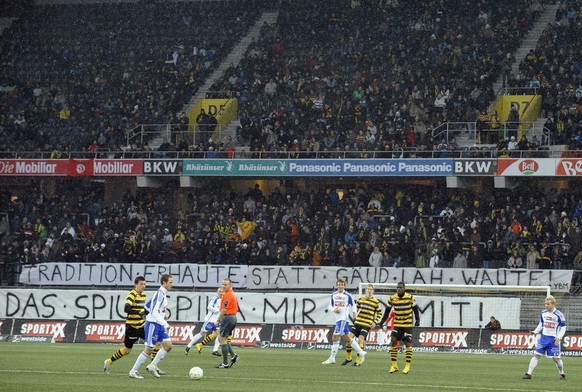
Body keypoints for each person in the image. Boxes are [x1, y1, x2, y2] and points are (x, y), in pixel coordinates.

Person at [104, 276, 162, 375]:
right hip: (132, 327)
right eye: (141, 284)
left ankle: (153, 366)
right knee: (127, 350)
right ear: (135, 285)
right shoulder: (132, 294)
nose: (143, 286)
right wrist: (139, 312)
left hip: (142, 326)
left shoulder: (143, 295)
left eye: (144, 284)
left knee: (156, 342)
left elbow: (143, 311)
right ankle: (109, 361)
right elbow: (126, 309)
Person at [128, 274, 174, 379]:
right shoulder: (160, 294)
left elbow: (148, 306)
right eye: (170, 282)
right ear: (164, 283)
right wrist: (165, 323)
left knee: (168, 346)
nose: (172, 284)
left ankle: (152, 366)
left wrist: (162, 316)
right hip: (153, 324)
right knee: (149, 349)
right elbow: (153, 311)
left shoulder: (161, 293)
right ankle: (133, 371)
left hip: (158, 324)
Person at [378, 282, 420, 375]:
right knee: (393, 340)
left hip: (407, 325)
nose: (399, 289)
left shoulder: (410, 297)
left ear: (404, 288)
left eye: (400, 287)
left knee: (408, 343)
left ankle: (407, 365)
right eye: (397, 288)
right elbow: (387, 311)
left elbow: (415, 309)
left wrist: (417, 320)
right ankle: (394, 365)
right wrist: (382, 321)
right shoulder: (392, 298)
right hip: (397, 324)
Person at [522, 295, 567, 380]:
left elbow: (564, 327)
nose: (546, 305)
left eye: (548, 304)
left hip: (553, 339)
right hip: (543, 338)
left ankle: (562, 373)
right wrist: (535, 331)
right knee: (536, 355)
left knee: (556, 359)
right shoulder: (543, 313)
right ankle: (528, 374)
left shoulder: (559, 315)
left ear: (553, 304)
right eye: (545, 304)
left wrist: (559, 337)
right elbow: (541, 324)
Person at [322, 278, 360, 365]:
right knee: (347, 338)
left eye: (342, 284)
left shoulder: (348, 295)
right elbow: (329, 306)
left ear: (344, 286)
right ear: (337, 285)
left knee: (335, 337)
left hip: (343, 319)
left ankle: (332, 358)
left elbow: (353, 305)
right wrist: (334, 309)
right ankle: (361, 352)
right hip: (338, 319)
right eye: (339, 284)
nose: (340, 286)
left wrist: (354, 313)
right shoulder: (333, 295)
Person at [342, 283, 381, 366]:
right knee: (348, 339)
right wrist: (354, 314)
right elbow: (356, 308)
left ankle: (358, 360)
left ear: (373, 291)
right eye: (368, 289)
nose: (369, 291)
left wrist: (375, 321)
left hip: (366, 324)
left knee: (360, 340)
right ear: (365, 290)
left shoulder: (376, 302)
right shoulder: (360, 299)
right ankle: (348, 357)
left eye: (371, 289)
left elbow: (380, 313)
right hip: (358, 323)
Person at [184, 287, 223, 355]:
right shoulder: (215, 298)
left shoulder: (223, 299)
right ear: (217, 292)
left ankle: (215, 350)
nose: (221, 293)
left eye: (222, 291)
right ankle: (189, 346)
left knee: (219, 335)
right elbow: (209, 307)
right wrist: (217, 310)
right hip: (210, 320)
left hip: (217, 321)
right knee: (201, 333)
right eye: (219, 291)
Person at [215, 278, 239, 368]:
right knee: (221, 338)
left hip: (228, 318)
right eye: (223, 284)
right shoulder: (231, 294)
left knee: (222, 340)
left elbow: (224, 309)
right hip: (232, 318)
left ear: (230, 285)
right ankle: (233, 356)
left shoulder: (228, 295)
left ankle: (225, 363)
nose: (223, 286)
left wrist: (218, 320)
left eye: (226, 285)